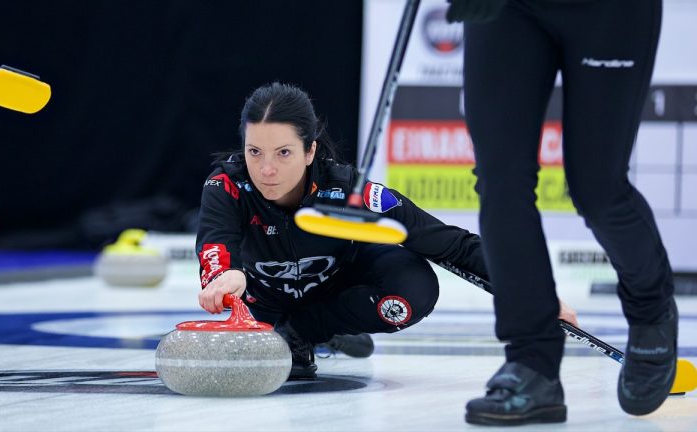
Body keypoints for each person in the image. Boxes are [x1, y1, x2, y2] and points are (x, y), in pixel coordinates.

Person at [196, 82, 577, 380]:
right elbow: (216, 245)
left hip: (336, 288)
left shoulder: (350, 192)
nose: (266, 170)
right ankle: (302, 328)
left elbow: (448, 244)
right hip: (264, 300)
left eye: (283, 153)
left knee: (414, 289)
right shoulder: (226, 186)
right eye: (254, 152)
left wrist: (532, 296)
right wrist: (222, 277)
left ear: (310, 151)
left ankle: (310, 328)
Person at [447, 0, 678, 425]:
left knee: (598, 188)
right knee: (500, 182)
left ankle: (650, 308)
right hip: (507, 7)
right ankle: (531, 363)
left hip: (608, 12)